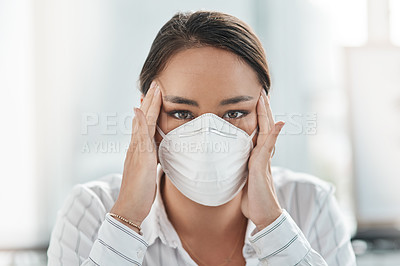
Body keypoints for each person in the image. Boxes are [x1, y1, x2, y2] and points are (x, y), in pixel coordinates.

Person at [47, 10, 357, 266]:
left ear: (263, 114)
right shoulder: (90, 210)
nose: (209, 137)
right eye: (181, 113)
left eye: (234, 113)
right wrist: (127, 218)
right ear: (147, 116)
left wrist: (272, 225)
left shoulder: (311, 206)